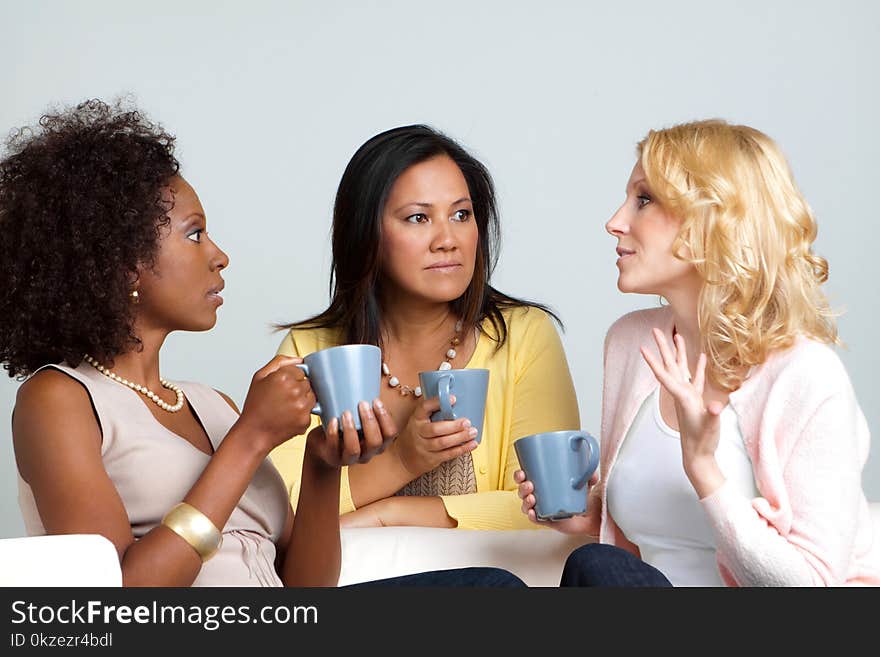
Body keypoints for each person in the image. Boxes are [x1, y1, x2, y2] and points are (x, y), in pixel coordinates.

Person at [0, 100, 524, 588]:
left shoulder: (211, 405)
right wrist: (251, 438)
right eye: (194, 233)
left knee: (489, 588)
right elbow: (121, 599)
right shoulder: (58, 399)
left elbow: (307, 590)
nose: (219, 255)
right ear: (122, 260)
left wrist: (323, 464)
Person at [516, 119, 879, 586]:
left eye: (643, 200)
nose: (615, 222)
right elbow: (648, 544)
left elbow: (811, 586)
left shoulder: (806, 375)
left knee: (594, 568)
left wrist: (704, 467)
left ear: (712, 221)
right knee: (489, 585)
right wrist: (588, 516)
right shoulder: (631, 343)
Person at [271, 125, 580, 530]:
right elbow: (273, 508)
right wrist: (401, 461)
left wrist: (388, 514)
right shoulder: (311, 348)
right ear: (366, 233)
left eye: (461, 214)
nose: (448, 240)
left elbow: (551, 510)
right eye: (418, 217)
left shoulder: (523, 336)